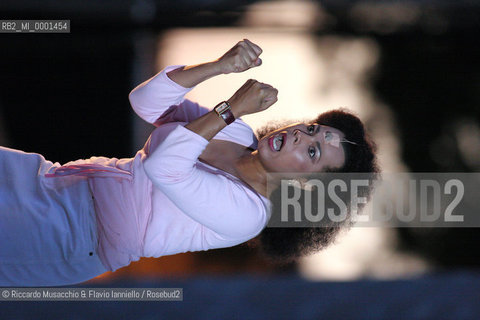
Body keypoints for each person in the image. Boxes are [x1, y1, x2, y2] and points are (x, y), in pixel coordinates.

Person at [0, 39, 378, 287]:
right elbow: (145, 103)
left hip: (69, 235)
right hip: (51, 179)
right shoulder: (238, 135)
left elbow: (162, 167)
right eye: (313, 129)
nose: (301, 136)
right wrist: (219, 66)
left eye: (313, 152)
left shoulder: (247, 214)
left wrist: (229, 109)